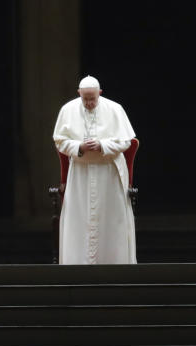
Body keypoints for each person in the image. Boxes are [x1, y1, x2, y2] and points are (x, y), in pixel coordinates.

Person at [53, 75, 137, 264]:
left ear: (100, 93)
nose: (89, 103)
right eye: (85, 99)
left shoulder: (115, 109)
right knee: (79, 224)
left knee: (112, 223)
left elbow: (125, 141)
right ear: (79, 94)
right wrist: (79, 147)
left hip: (110, 173)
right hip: (80, 175)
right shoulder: (68, 110)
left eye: (93, 99)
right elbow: (60, 141)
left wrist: (103, 145)